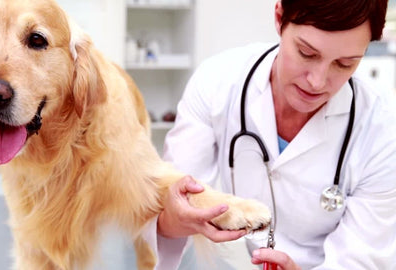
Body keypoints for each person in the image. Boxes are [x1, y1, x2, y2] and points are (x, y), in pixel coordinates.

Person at [144, 0, 396, 269]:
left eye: (345, 64)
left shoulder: (381, 128)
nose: (318, 81)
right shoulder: (218, 82)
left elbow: (363, 258)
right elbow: (170, 209)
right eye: (306, 53)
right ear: (279, 17)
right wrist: (175, 218)